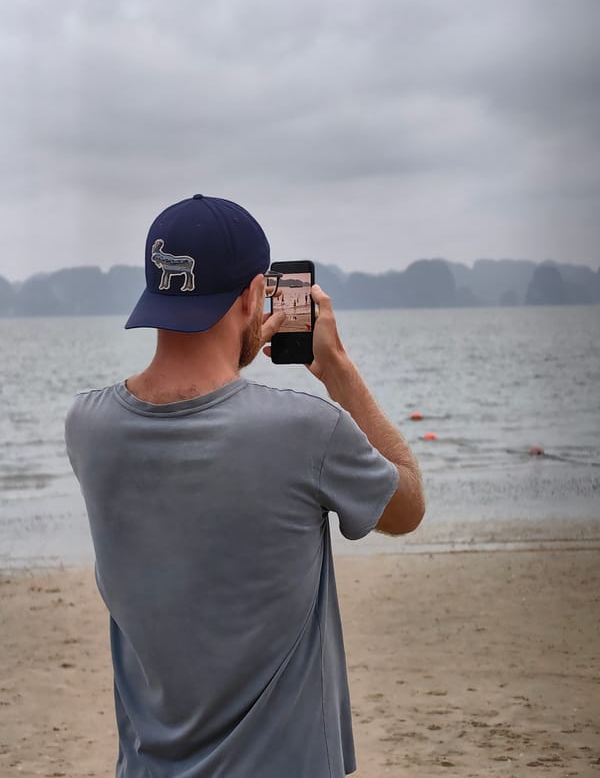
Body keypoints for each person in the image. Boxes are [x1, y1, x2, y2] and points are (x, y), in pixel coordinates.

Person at [65, 194, 425, 778]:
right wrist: (337, 369)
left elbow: (195, 428)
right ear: (257, 294)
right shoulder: (307, 429)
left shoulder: (88, 425)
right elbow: (406, 504)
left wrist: (230, 361)